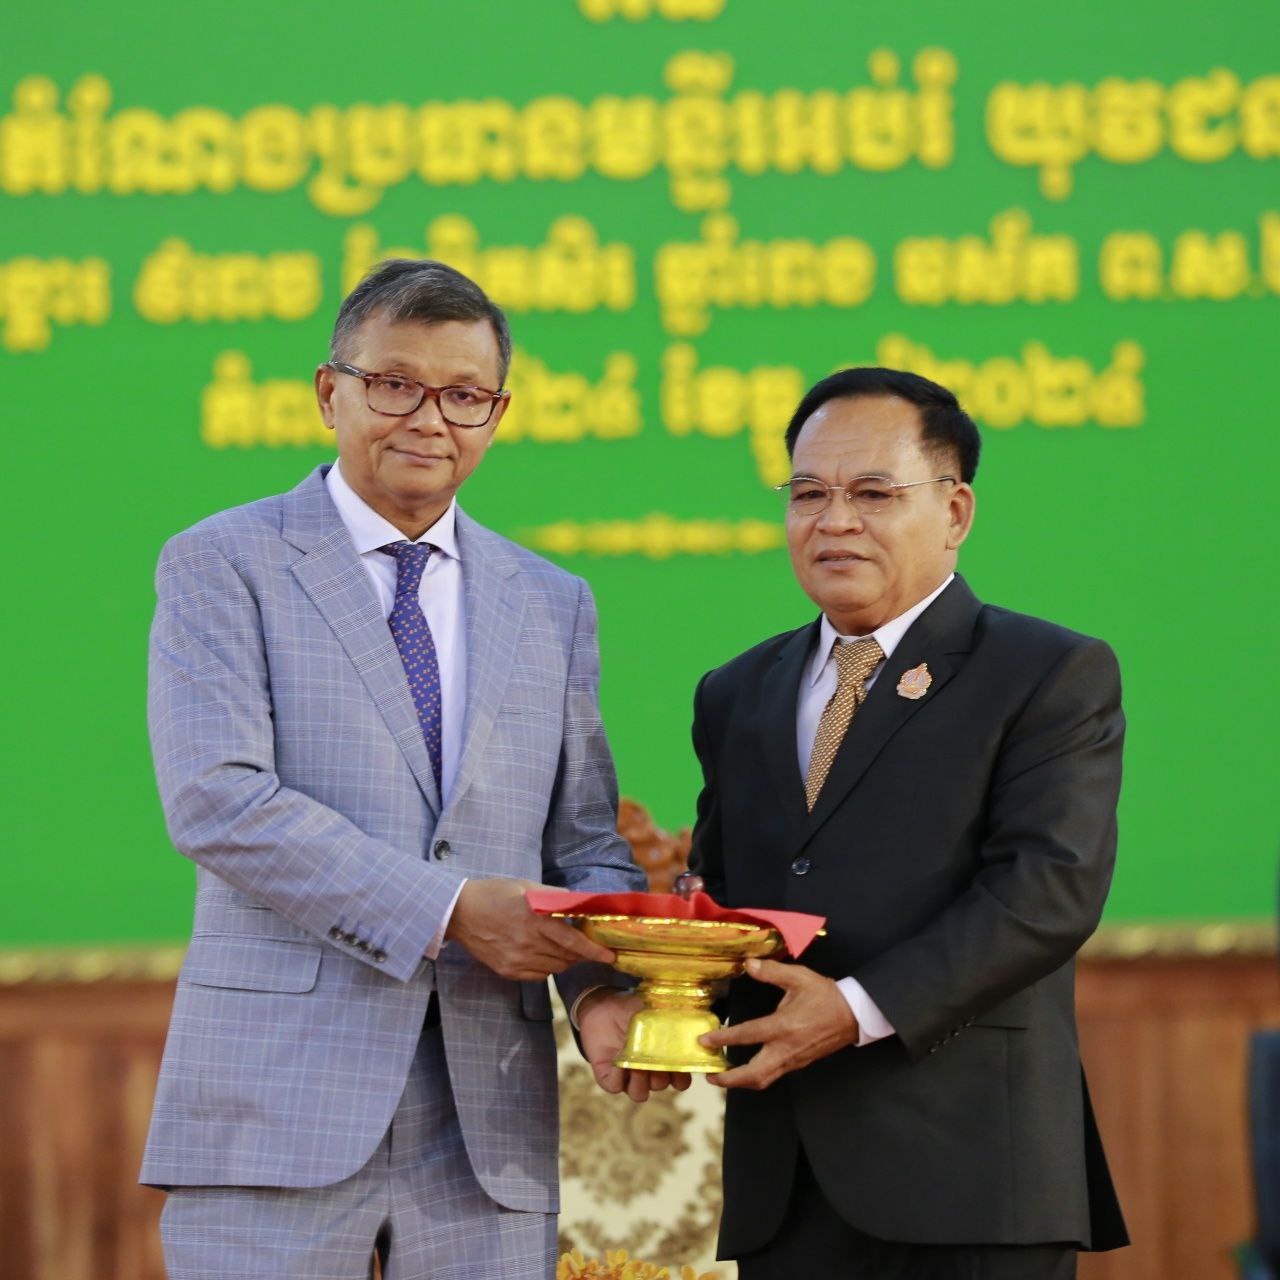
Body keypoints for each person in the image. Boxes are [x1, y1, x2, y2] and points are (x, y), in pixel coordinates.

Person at [142, 258, 675, 1280]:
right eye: (394, 384)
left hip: (490, 1121)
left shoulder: (552, 601)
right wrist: (450, 908)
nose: (429, 419)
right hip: (279, 1103)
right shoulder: (222, 562)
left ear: (496, 414)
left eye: (464, 395)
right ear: (329, 392)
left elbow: (583, 842)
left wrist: (601, 990)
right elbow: (217, 800)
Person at [687, 367, 1128, 1279]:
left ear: (955, 512)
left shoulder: (1046, 673)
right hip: (786, 1181)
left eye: (873, 493)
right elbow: (726, 896)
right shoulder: (736, 692)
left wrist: (853, 1011)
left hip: (970, 1176)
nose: (834, 521)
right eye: (808, 493)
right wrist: (661, 987)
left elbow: (1047, 892)